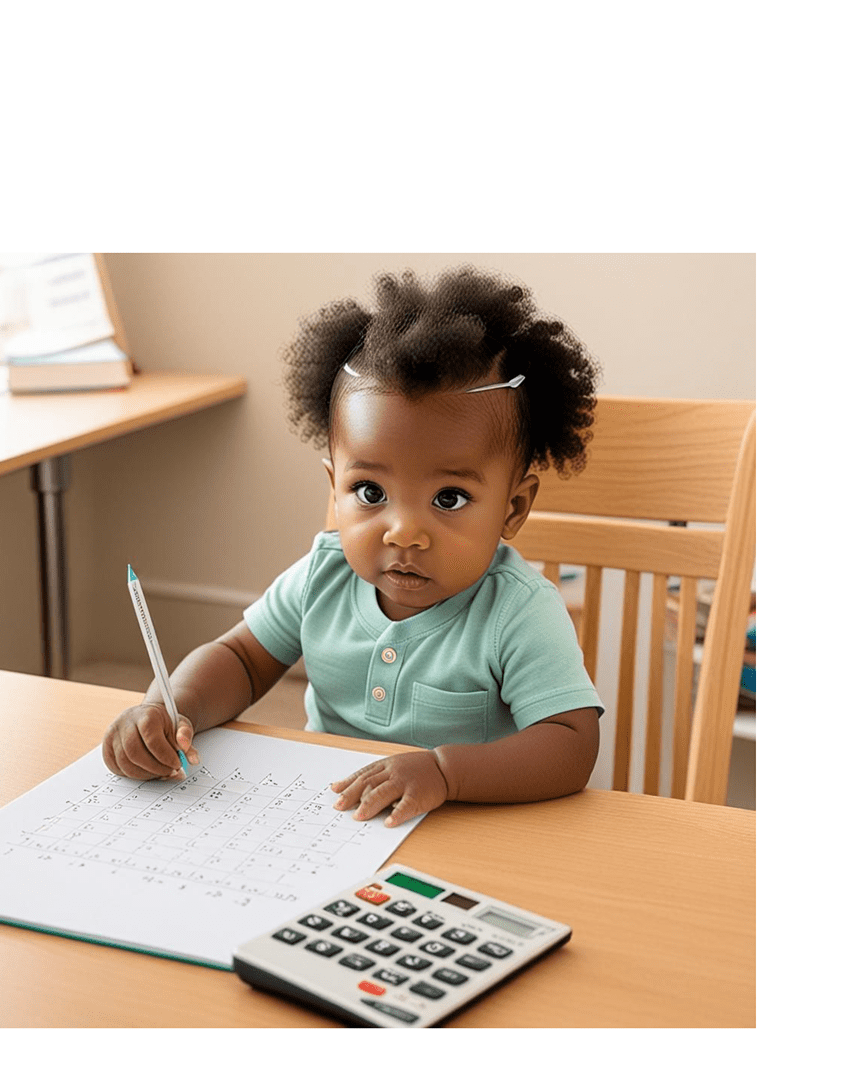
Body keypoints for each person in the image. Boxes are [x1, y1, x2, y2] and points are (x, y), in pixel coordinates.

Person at [102, 265, 604, 827]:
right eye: (370, 491)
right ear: (334, 488)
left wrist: (445, 773)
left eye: (449, 498)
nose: (403, 532)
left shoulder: (517, 611)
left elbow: (571, 744)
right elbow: (241, 659)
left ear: (512, 510)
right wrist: (169, 707)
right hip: (330, 825)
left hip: (469, 831)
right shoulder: (325, 573)